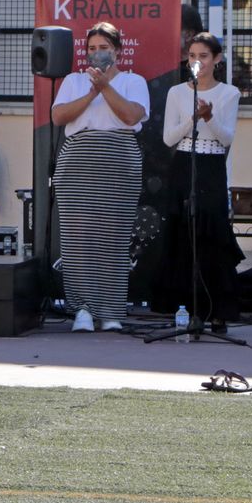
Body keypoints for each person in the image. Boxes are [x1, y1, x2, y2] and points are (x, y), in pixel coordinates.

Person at [50, 21, 148, 333]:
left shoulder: (134, 81)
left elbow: (131, 115)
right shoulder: (74, 81)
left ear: (117, 51)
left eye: (104, 48)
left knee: (113, 238)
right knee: (78, 239)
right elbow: (58, 116)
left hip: (119, 163)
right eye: (92, 48)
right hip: (77, 164)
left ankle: (110, 310)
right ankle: (82, 309)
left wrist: (105, 87)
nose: (97, 53)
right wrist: (92, 90)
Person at [159, 32, 244, 333]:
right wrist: (192, 119)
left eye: (204, 56)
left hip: (211, 166)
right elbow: (168, 137)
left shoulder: (229, 93)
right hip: (184, 163)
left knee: (212, 234)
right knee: (184, 232)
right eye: (192, 56)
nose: (197, 61)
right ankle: (186, 309)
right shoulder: (176, 93)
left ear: (217, 59)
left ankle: (218, 310)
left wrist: (209, 118)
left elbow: (226, 138)